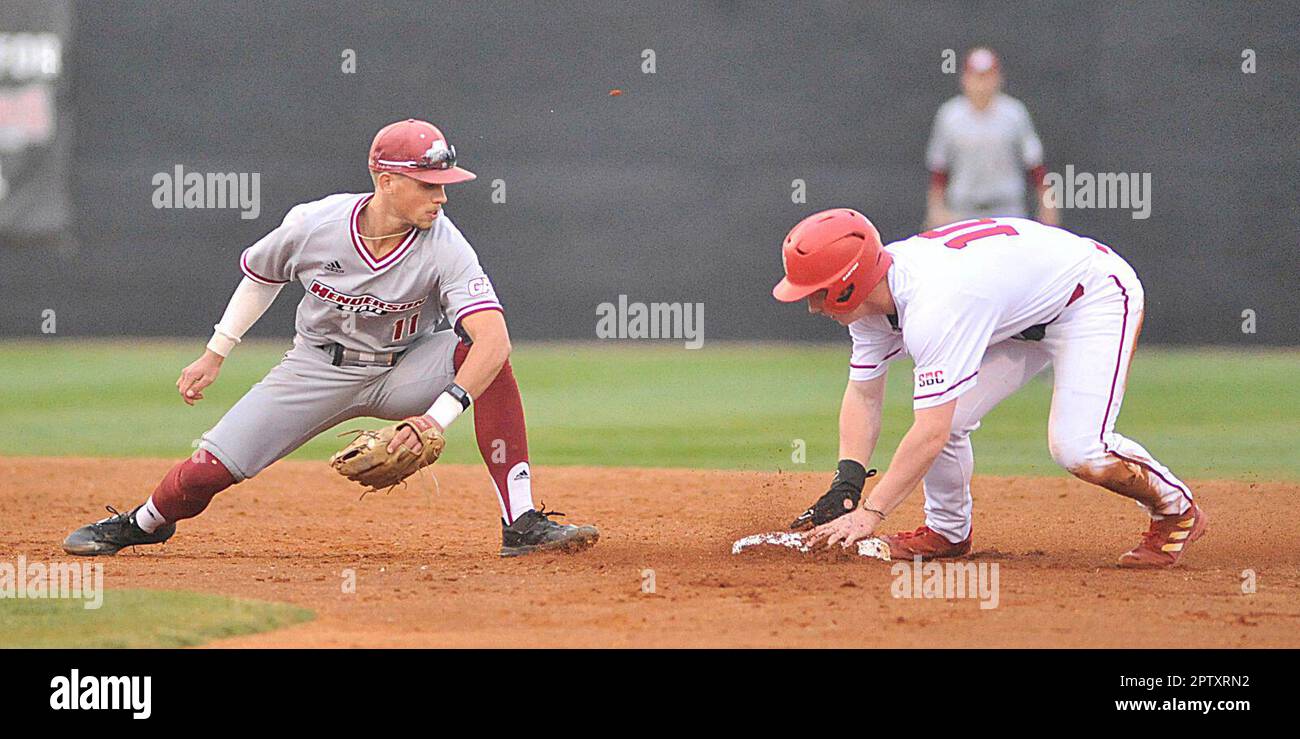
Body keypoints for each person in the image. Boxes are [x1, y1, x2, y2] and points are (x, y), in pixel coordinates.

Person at [63, 119, 599, 559]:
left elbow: (494, 340)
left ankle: (521, 521)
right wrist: (216, 352)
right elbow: (261, 275)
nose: (441, 197)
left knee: (485, 359)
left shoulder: (446, 245)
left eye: (444, 184)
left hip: (406, 368)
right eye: (427, 184)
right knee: (206, 473)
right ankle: (146, 522)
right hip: (317, 368)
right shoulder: (314, 224)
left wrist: (437, 418)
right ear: (385, 180)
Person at [777, 209, 1205, 568]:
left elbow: (930, 432)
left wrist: (870, 514)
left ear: (849, 282)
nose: (812, 306)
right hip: (1013, 313)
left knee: (1079, 448)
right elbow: (864, 394)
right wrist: (847, 486)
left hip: (1088, 298)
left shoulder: (935, 306)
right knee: (954, 414)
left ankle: (1175, 509)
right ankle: (947, 532)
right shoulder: (872, 300)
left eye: (817, 293)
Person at [925, 47, 1057, 228]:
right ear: (965, 79)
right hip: (963, 211)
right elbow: (939, 171)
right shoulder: (950, 116)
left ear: (998, 78)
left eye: (987, 76)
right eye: (976, 76)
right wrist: (936, 210)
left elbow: (1036, 167)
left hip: (1007, 210)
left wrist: (1047, 207)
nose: (982, 84)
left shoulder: (1014, 113)